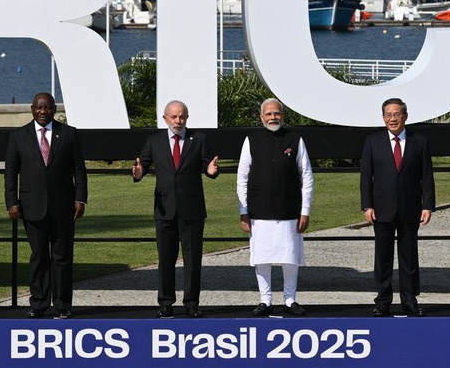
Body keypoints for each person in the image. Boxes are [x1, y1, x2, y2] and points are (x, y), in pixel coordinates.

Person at [131, 100, 220, 318]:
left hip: (192, 209)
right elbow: (142, 167)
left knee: (192, 259)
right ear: (165, 119)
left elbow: (208, 166)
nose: (178, 121)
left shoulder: (199, 139)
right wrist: (138, 173)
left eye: (181, 117)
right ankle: (165, 303)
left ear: (187, 118)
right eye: (173, 117)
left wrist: (211, 171)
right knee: (166, 258)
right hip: (165, 209)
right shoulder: (154, 141)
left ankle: (191, 303)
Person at [5, 92, 88, 318]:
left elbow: (79, 170)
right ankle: (39, 303)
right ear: (32, 109)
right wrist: (12, 202)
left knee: (62, 257)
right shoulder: (18, 136)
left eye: (47, 108)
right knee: (39, 256)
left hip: (64, 207)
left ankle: (62, 305)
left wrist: (80, 199)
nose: (43, 112)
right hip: (32, 207)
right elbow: (11, 172)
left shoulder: (69, 134)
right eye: (39, 107)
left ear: (54, 109)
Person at [237, 98, 313, 317]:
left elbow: (306, 175)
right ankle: (265, 300)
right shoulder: (251, 140)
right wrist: (243, 211)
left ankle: (290, 299)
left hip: (289, 209)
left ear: (283, 115)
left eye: (276, 113)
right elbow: (242, 176)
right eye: (268, 114)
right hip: (258, 210)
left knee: (290, 256)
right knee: (262, 257)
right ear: (261, 117)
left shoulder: (295, 139)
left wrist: (305, 210)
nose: (273, 117)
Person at [361, 98, 435, 317]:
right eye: (388, 115)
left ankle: (409, 300)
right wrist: (367, 206)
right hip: (381, 209)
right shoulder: (372, 141)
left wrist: (428, 205)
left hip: (410, 209)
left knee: (409, 258)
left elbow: (427, 176)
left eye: (396, 114)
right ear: (383, 117)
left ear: (405, 116)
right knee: (383, 258)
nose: (392, 119)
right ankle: (383, 301)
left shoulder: (419, 141)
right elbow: (366, 177)